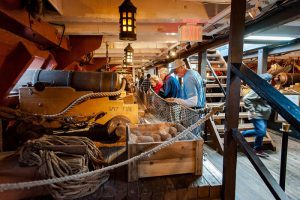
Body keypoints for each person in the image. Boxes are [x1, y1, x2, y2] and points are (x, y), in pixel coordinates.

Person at [241, 73, 272, 158]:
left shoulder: (265, 89)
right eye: (269, 81)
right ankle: (241, 134)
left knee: (261, 133)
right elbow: (246, 99)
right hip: (257, 114)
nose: (270, 82)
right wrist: (252, 111)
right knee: (261, 132)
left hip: (263, 114)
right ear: (266, 81)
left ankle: (257, 149)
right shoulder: (258, 89)